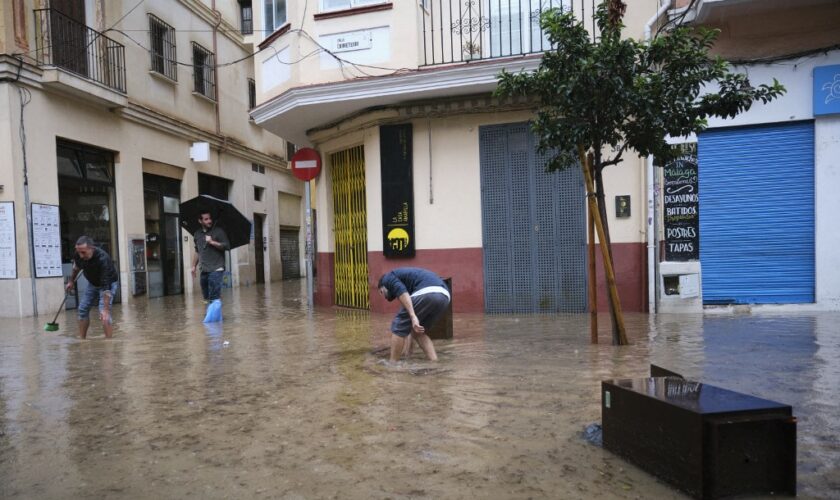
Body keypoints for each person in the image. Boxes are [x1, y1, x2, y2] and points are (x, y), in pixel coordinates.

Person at [377, 267, 451, 363]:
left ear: (382, 288)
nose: (385, 297)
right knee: (417, 331)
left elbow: (403, 293)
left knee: (398, 324)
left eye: (382, 293)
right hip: (445, 296)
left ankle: (392, 364)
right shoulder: (409, 282)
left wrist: (413, 316)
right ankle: (434, 361)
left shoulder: (387, 278)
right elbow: (410, 328)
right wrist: (408, 356)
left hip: (428, 291)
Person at [66, 236, 119, 339]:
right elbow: (76, 268)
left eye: (83, 252)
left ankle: (109, 344)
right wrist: (71, 281)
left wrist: (106, 309)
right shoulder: (78, 254)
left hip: (108, 284)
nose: (81, 255)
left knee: (103, 314)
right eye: (79, 252)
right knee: (82, 309)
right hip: (92, 283)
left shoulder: (103, 259)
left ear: (92, 248)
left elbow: (106, 287)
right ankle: (82, 341)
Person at [191, 210, 229, 305]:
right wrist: (193, 266)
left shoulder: (219, 231)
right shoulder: (197, 234)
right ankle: (214, 315)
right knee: (206, 299)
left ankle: (214, 318)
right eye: (206, 219)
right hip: (204, 269)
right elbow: (197, 251)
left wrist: (212, 242)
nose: (209, 221)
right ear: (200, 221)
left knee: (214, 297)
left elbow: (226, 246)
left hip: (216, 268)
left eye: (210, 218)